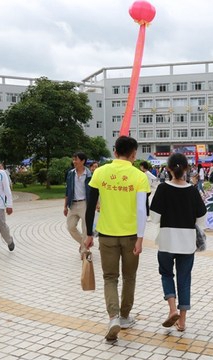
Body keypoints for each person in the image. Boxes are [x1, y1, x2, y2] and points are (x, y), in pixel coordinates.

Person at [83, 136, 149, 342]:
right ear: (133, 154)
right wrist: (140, 238)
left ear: (114, 152)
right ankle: (125, 316)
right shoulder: (139, 176)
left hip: (107, 235)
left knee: (110, 278)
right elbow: (141, 209)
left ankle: (113, 318)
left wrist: (88, 235)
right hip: (130, 236)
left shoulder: (100, 172)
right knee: (129, 277)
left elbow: (91, 205)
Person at [149, 153, 207, 332]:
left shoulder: (163, 189)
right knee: (184, 279)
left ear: (168, 169)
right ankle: (181, 322)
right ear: (187, 169)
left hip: (167, 240)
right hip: (187, 241)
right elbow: (202, 216)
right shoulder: (192, 190)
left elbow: (155, 218)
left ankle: (172, 309)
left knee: (166, 274)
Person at [64, 152, 91, 257]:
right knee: (70, 227)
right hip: (73, 204)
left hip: (84, 203)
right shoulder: (70, 173)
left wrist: (96, 204)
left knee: (85, 229)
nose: (74, 161)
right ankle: (84, 243)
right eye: (73, 159)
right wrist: (65, 206)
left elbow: (94, 190)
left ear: (83, 161)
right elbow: (67, 190)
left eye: (76, 159)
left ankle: (84, 251)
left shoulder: (89, 175)